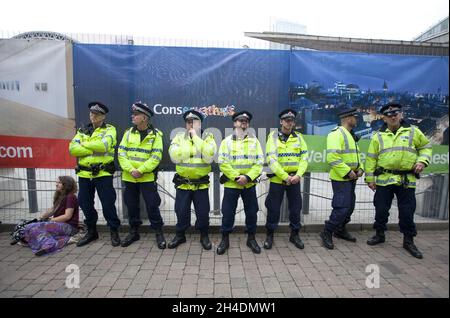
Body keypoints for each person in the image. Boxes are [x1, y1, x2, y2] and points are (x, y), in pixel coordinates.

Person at [365, 102, 432, 259]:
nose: (393, 116)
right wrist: (370, 179)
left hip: (406, 179)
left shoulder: (413, 131)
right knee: (381, 209)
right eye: (389, 114)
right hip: (384, 179)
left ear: (401, 114)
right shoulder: (377, 136)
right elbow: (370, 159)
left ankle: (408, 241)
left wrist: (422, 161)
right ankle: (379, 234)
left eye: (396, 113)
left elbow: (426, 147)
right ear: (384, 118)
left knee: (407, 211)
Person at [69, 101, 121, 247]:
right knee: (85, 204)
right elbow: (73, 149)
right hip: (85, 174)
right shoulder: (83, 129)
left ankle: (114, 231)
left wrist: (83, 145)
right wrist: (92, 148)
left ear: (103, 116)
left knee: (108, 204)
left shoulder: (110, 130)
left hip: (103, 173)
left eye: (96, 114)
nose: (92, 116)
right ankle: (92, 232)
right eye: (91, 113)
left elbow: (103, 146)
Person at [118, 102, 166, 249]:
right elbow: (121, 153)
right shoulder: (128, 133)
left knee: (152, 205)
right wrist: (131, 169)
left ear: (144, 118)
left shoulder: (156, 135)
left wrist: (141, 170)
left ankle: (158, 232)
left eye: (136, 114)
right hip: (129, 176)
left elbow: (156, 157)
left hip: (146, 177)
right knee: (131, 205)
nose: (133, 116)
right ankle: (134, 231)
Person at [168, 110, 217, 249]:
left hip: (200, 184)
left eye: (194, 122)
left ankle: (204, 235)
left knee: (202, 212)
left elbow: (209, 155)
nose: (191, 124)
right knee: (181, 211)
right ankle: (180, 235)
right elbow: (174, 156)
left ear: (200, 123)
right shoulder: (178, 137)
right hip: (183, 183)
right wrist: (195, 150)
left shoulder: (208, 136)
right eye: (188, 122)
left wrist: (195, 138)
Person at [217, 111, 264, 255]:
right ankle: (225, 239)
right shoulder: (226, 142)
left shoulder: (255, 141)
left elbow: (259, 162)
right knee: (228, 213)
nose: (243, 122)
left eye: (245, 121)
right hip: (232, 185)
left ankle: (251, 238)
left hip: (249, 185)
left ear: (248, 124)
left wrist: (248, 178)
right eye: (240, 120)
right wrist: (238, 177)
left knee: (252, 212)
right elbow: (222, 162)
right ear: (234, 123)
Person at [264, 109, 308, 250]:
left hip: (295, 179)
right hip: (278, 180)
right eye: (287, 120)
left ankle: (294, 235)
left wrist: (298, 175)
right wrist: (285, 176)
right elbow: (271, 159)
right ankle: (269, 235)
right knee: (273, 209)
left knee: (295, 209)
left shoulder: (300, 137)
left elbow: (304, 158)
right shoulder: (273, 137)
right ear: (281, 121)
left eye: (292, 120)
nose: (290, 123)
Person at [320, 107, 363, 250]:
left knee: (349, 207)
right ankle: (327, 232)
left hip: (352, 178)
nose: (357, 119)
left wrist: (360, 168)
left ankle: (340, 229)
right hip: (341, 178)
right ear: (347, 118)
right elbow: (333, 157)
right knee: (342, 207)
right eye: (355, 117)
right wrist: (348, 172)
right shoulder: (336, 134)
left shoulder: (351, 135)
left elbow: (357, 156)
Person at [22, 176, 79, 256]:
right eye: (56, 182)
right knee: (29, 227)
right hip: (59, 224)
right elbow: (52, 210)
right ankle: (63, 240)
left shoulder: (70, 197)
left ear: (66, 184)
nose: (56, 184)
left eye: (59, 183)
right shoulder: (60, 196)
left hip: (69, 227)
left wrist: (50, 220)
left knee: (36, 229)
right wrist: (41, 218)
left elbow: (67, 216)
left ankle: (51, 245)